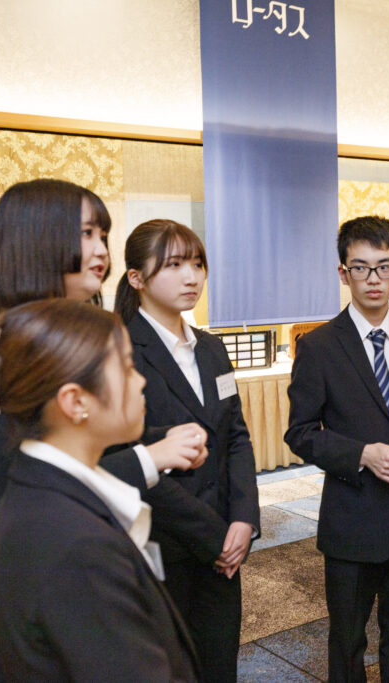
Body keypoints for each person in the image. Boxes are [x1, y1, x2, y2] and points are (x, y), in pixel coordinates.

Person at [0, 179, 212, 681]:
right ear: (36, 240)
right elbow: (4, 505)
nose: (101, 249)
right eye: (87, 233)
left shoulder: (81, 333)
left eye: (103, 233)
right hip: (32, 609)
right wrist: (150, 457)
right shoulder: (5, 357)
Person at [285, 215, 389, 682]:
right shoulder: (318, 347)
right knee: (348, 642)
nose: (374, 279)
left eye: (384, 267)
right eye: (361, 268)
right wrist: (361, 454)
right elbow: (300, 432)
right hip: (352, 518)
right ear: (343, 273)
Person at [116, 219, 260, 682]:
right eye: (174, 265)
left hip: (224, 543)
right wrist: (212, 536)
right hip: (162, 546)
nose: (192, 276)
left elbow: (234, 436)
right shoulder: (118, 352)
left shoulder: (212, 349)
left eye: (197, 263)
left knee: (220, 664)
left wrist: (243, 518)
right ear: (136, 278)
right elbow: (128, 456)